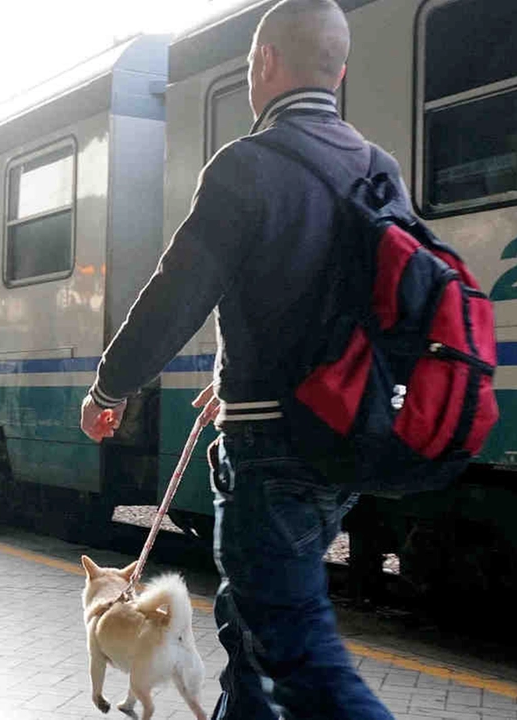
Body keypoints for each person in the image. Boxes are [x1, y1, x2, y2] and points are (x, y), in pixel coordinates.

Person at [80, 2, 394, 718]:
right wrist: (233, 379)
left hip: (270, 453)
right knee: (252, 638)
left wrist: (109, 388)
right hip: (343, 447)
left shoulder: (246, 166)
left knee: (293, 650)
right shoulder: (378, 169)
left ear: (263, 65)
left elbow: (175, 296)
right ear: (338, 72)